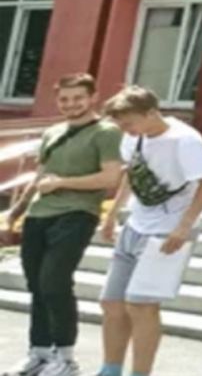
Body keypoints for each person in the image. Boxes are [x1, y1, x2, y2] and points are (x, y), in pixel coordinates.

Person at [2, 75, 125, 376]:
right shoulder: (54, 132)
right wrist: (14, 213)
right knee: (36, 284)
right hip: (38, 214)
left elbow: (110, 177)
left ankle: (66, 358)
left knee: (54, 281)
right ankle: (39, 353)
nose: (71, 104)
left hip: (77, 213)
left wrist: (62, 183)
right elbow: (40, 176)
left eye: (78, 98)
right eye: (64, 99)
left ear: (93, 97)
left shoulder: (106, 132)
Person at [94, 87, 202, 376]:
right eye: (121, 124)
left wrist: (184, 226)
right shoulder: (134, 137)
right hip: (136, 224)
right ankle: (110, 369)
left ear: (151, 113)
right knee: (112, 302)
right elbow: (133, 173)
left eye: (129, 123)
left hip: (167, 231)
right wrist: (112, 215)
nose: (126, 130)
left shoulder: (185, 140)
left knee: (142, 305)